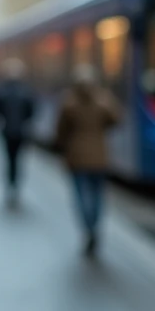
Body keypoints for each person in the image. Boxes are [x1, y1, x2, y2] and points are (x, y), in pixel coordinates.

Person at [54, 65, 121, 255]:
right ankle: (95, 226)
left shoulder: (69, 103)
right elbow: (116, 119)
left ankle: (88, 228)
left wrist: (61, 148)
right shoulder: (103, 101)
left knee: (81, 195)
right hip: (100, 158)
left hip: (77, 158)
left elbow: (60, 132)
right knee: (98, 196)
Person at [0, 58, 36, 206]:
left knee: (8, 160)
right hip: (21, 133)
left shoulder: (1, 92)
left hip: (6, 132)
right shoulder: (26, 92)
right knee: (18, 161)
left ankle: (10, 186)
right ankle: (16, 187)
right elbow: (31, 113)